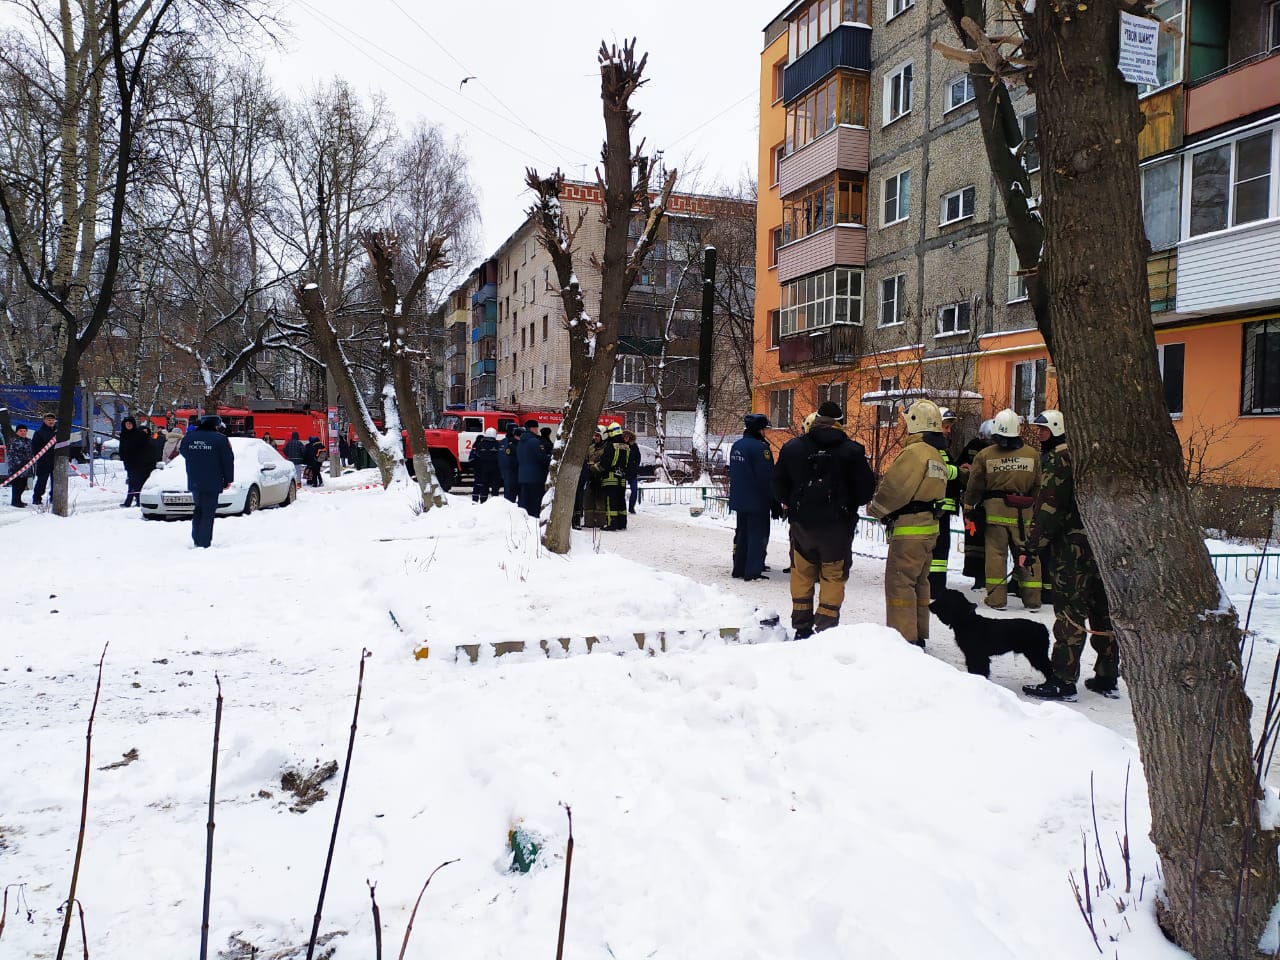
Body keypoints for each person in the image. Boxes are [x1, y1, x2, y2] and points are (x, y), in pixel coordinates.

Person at [1019, 410, 1120, 701]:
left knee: (1069, 615)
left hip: (1072, 551)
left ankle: (1063, 680)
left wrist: (1031, 547)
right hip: (1104, 547)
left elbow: (1049, 508)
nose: (1039, 436)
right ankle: (1107, 675)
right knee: (1103, 613)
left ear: (1057, 430)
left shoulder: (1059, 459)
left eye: (1043, 431)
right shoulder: (1093, 454)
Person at [773, 401, 876, 638]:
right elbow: (865, 491)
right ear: (840, 423)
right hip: (837, 528)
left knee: (802, 574)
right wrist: (848, 504)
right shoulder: (853, 451)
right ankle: (826, 630)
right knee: (833, 575)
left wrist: (789, 501)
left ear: (816, 418)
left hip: (802, 526)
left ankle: (801, 628)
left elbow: (777, 483)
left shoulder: (792, 447)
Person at [867, 400, 950, 646]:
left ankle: (904, 640)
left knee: (900, 583)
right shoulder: (936, 455)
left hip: (910, 530)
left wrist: (875, 509)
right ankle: (919, 633)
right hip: (929, 529)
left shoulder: (915, 453)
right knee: (920, 584)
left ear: (916, 423)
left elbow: (895, 488)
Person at [962, 408, 1042, 611]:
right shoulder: (1032, 455)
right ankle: (1032, 600)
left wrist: (969, 507)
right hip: (1023, 514)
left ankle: (997, 599)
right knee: (1026, 553)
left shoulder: (985, 455)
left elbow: (974, 486)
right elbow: (1038, 486)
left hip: (995, 513)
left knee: (996, 556)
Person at [728, 413, 775, 581]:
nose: (765, 433)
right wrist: (773, 499)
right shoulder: (760, 448)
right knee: (758, 534)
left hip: (739, 498)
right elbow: (766, 477)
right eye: (764, 429)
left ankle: (739, 568)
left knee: (742, 533)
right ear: (758, 430)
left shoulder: (737, 445)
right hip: (757, 500)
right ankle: (753, 570)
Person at [178, 415, 234, 549]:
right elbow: (227, 460)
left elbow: (183, 452)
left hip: (195, 480)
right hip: (213, 480)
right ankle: (204, 542)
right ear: (215, 425)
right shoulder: (220, 439)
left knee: (198, 509)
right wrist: (228, 479)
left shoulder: (189, 438)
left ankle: (196, 538)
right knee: (208, 511)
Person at [927, 407, 965, 597]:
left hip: (940, 510)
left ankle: (935, 586)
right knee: (938, 551)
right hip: (936, 510)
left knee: (940, 550)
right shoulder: (934, 449)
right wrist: (961, 472)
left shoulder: (939, 449)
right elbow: (943, 472)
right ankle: (934, 587)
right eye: (945, 426)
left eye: (949, 427)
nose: (949, 431)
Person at [959, 419, 994, 590]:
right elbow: (961, 464)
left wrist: (972, 471)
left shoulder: (999, 450)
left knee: (991, 541)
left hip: (989, 500)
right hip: (973, 501)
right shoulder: (973, 445)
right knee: (974, 540)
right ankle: (978, 576)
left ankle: (988, 577)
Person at [598, 422, 630, 530]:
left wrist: (599, 470)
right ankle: (622, 523)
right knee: (621, 501)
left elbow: (605, 463)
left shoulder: (610, 446)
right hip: (622, 478)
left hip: (610, 478)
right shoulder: (626, 446)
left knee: (610, 501)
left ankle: (612, 524)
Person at [118, 417, 155, 508]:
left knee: (137, 483)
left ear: (133, 424)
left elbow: (147, 446)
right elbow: (122, 448)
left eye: (130, 424)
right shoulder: (123, 435)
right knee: (132, 483)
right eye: (127, 424)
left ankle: (135, 501)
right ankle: (130, 501)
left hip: (140, 463)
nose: (128, 425)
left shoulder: (139, 434)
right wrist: (123, 457)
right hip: (129, 463)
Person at [516, 419, 551, 517]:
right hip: (536, 477)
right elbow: (542, 458)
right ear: (532, 428)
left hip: (523, 477)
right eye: (536, 428)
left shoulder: (520, 442)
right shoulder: (535, 442)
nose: (537, 430)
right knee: (535, 504)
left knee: (525, 503)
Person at [30, 413, 57, 505]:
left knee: (56, 481)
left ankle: (54, 498)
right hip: (44, 461)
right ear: (44, 420)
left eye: (53, 420)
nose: (51, 422)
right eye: (49, 420)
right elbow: (35, 447)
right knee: (42, 481)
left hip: (57, 461)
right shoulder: (39, 433)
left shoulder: (58, 432)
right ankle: (37, 498)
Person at [470, 427, 501, 503]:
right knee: (495, 487)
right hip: (495, 470)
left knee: (484, 487)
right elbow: (500, 456)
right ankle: (496, 503)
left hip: (483, 469)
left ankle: (483, 502)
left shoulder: (480, 444)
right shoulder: (497, 444)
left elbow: (477, 455)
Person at [7, 423, 33, 507]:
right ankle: (15, 501)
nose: (23, 432)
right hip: (17, 467)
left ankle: (19, 500)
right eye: (21, 431)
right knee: (17, 485)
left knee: (23, 485)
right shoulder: (13, 441)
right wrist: (18, 465)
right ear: (17, 432)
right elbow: (11, 455)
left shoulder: (29, 441)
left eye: (25, 431)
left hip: (26, 468)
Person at [497, 425, 521, 503]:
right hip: (514, 472)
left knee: (508, 494)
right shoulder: (514, 444)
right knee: (512, 496)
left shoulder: (502, 442)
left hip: (504, 471)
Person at [623, 429, 641, 514]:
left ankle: (631, 507)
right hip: (622, 471)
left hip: (632, 472)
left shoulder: (634, 446)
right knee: (621, 491)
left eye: (628, 436)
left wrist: (635, 466)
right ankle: (621, 507)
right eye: (625, 436)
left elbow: (638, 457)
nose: (626, 438)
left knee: (634, 490)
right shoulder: (621, 445)